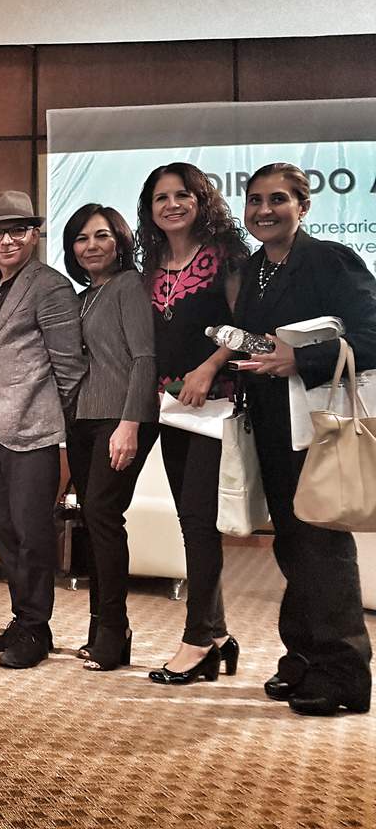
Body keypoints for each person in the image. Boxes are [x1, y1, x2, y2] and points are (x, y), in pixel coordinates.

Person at [234, 162, 374, 716]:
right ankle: (303, 657)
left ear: (303, 206)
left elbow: (372, 334)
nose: (264, 210)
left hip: (318, 426)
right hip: (272, 426)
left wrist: (301, 359)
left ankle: (344, 674)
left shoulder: (330, 259)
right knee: (293, 544)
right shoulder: (253, 268)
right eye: (255, 200)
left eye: (278, 199)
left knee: (322, 545)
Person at [136, 163, 248, 686]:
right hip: (170, 408)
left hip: (216, 403)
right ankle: (219, 635)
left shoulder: (227, 256)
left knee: (201, 522)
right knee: (190, 521)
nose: (172, 205)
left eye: (183, 195)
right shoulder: (151, 262)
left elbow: (246, 325)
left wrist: (209, 367)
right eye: (161, 198)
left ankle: (198, 639)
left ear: (202, 200)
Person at [0, 190, 86, 669]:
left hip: (35, 431)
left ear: (34, 234)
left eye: (17, 230)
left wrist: (52, 420)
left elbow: (69, 367)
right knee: (5, 530)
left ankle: (36, 629)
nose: (7, 240)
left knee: (32, 533)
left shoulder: (51, 286)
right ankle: (22, 619)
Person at [60, 204, 158, 672]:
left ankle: (115, 628)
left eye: (101, 236)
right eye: (81, 238)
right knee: (93, 519)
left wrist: (130, 423)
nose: (91, 246)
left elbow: (144, 358)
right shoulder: (83, 297)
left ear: (119, 240)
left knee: (103, 515)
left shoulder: (129, 286)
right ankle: (102, 629)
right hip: (82, 420)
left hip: (118, 419)